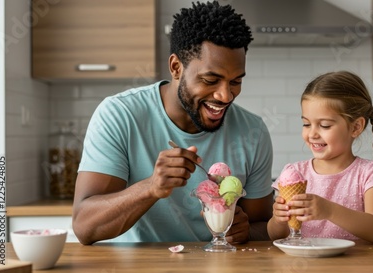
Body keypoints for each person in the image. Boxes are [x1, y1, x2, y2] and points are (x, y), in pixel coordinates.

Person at [72, 1, 274, 245]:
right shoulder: (119, 115)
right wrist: (151, 187)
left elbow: (264, 226)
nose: (225, 96)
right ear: (176, 67)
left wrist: (246, 231)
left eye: (235, 82)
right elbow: (85, 227)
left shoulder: (253, 131)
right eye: (211, 80)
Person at [267, 71, 373, 244]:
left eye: (324, 125)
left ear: (356, 127)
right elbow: (276, 236)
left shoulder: (369, 173)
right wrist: (278, 219)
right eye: (306, 124)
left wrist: (329, 211)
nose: (312, 133)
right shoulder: (294, 172)